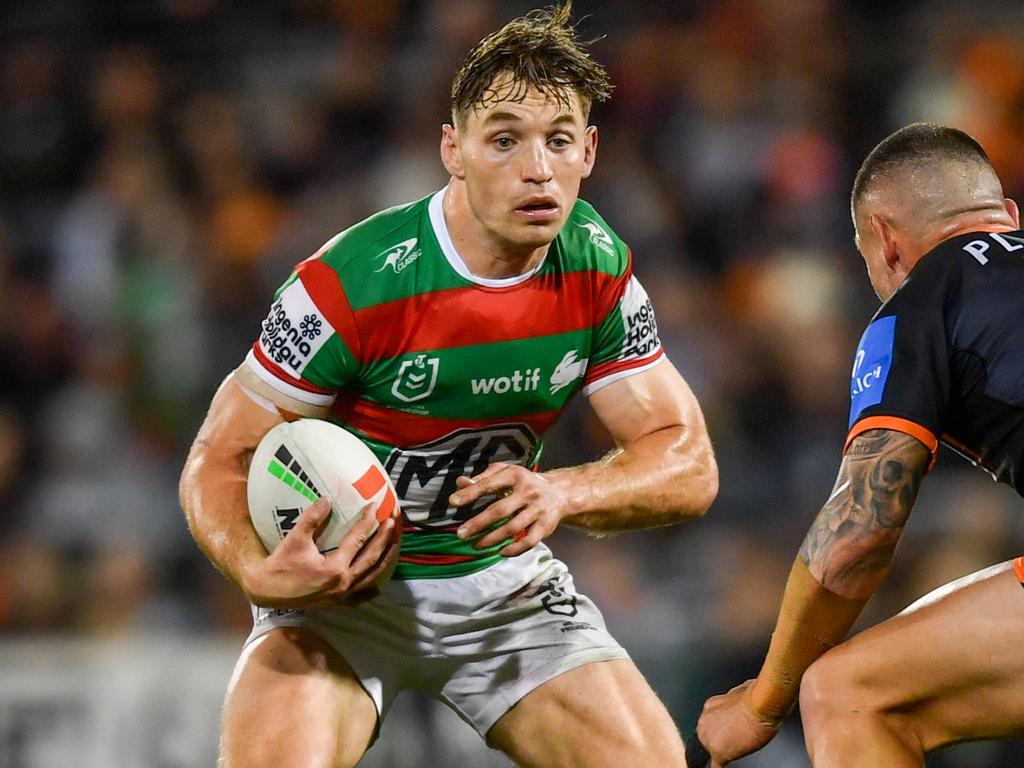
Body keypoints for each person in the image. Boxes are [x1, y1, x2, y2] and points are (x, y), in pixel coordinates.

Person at [179, 4, 719, 767]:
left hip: (504, 592)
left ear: (589, 151)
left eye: (559, 141)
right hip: (343, 602)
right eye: (505, 140)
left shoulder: (598, 268)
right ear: (453, 150)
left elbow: (689, 463)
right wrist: (254, 566)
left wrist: (564, 493)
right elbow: (219, 457)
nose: (537, 168)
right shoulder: (352, 281)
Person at [694, 122, 1024, 767]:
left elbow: (859, 533)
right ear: (1007, 216)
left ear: (885, 241)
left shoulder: (921, 305)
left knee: (846, 693)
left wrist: (764, 700)